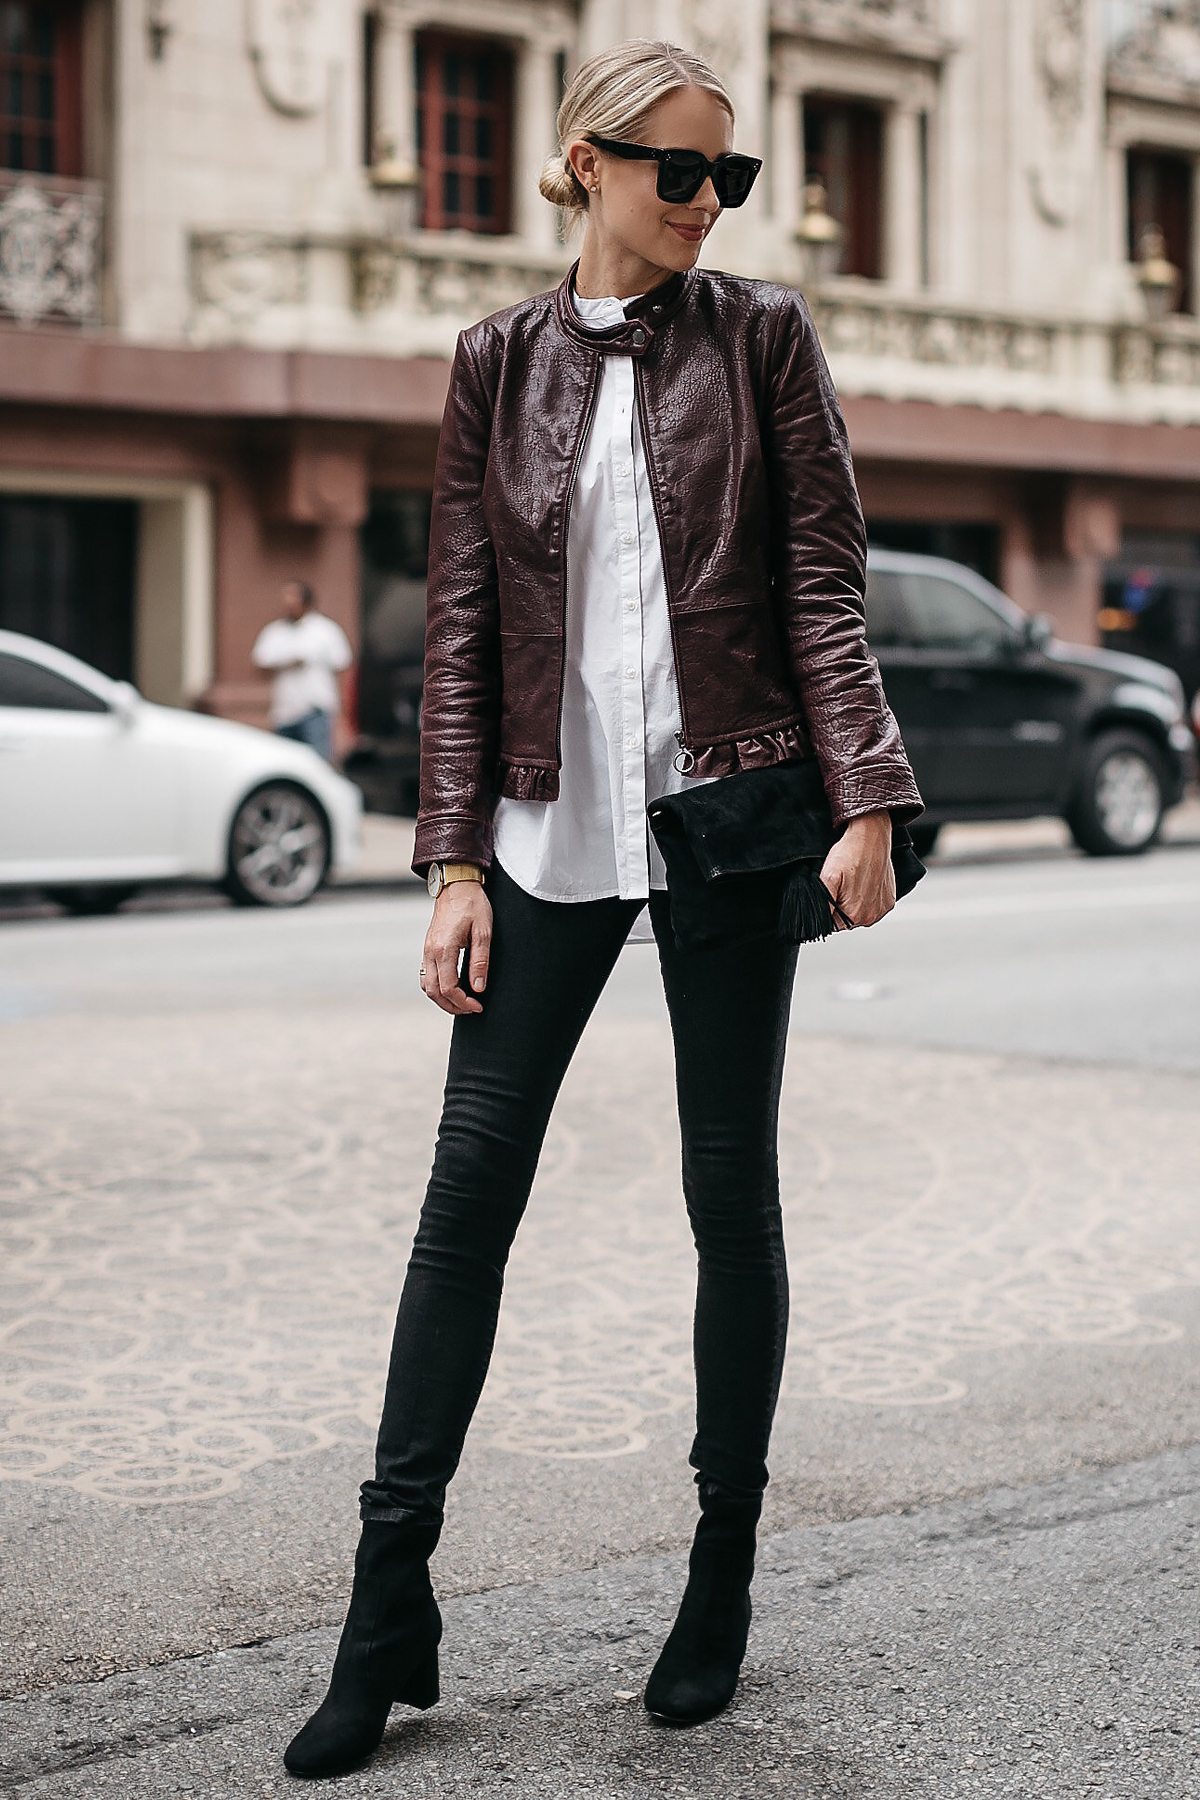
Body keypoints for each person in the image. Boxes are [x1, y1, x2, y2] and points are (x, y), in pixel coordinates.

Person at [284, 36, 922, 1781]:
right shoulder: (495, 361)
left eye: (730, 178)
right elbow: (468, 621)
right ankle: (384, 1605)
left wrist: (864, 800)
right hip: (547, 832)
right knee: (461, 1201)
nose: (707, 204)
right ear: (584, 163)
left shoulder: (766, 337)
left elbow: (818, 580)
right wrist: (452, 860)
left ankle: (717, 1577)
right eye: (677, 171)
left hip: (728, 816)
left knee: (733, 1191)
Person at [251, 579, 352, 763]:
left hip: (316, 709)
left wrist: (344, 711)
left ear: (305, 601)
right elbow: (259, 664)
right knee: (285, 765)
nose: (287, 604)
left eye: (292, 598)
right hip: (284, 712)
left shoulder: (325, 630)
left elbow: (342, 666)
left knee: (318, 763)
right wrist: (288, 662)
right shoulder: (274, 632)